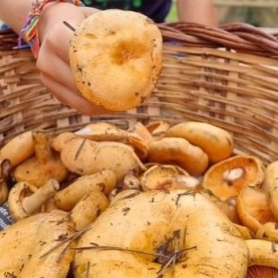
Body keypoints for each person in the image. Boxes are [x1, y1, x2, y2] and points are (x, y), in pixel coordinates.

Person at [0, 0, 216, 115]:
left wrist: (212, 63)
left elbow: (200, 23)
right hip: (33, 52)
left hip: (147, 62)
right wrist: (47, 16)